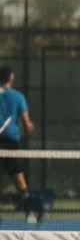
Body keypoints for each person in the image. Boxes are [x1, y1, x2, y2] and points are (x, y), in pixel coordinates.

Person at [0, 65, 35, 199]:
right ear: (11, 77)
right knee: (18, 176)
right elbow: (27, 124)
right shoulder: (18, 97)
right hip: (11, 141)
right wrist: (30, 127)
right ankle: (28, 205)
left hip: (8, 141)